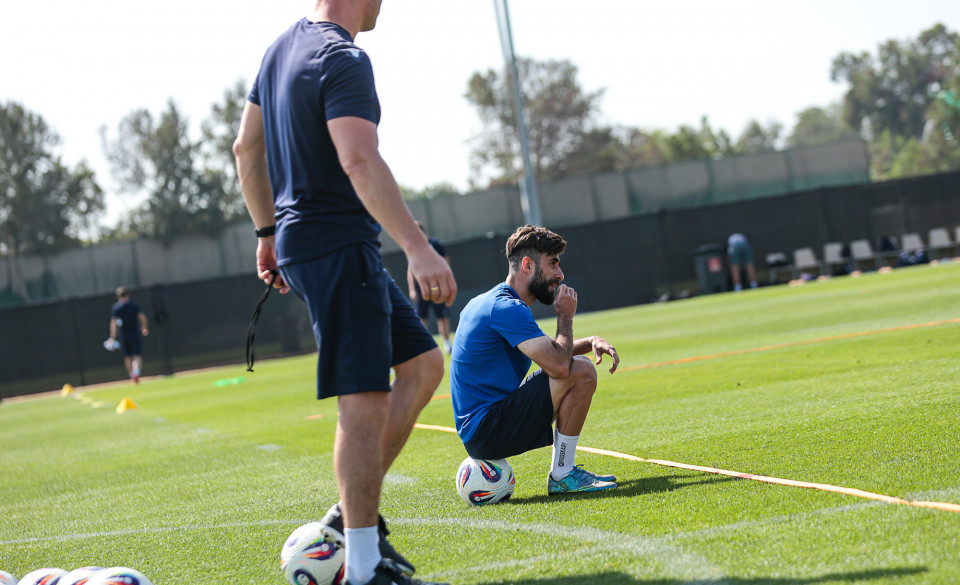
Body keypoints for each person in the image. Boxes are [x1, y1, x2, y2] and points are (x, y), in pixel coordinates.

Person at [233, 2, 457, 585]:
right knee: (364, 400)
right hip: (337, 247)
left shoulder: (280, 50)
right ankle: (361, 569)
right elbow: (358, 159)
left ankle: (350, 520)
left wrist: (267, 233)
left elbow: (245, 149)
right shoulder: (342, 56)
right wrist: (417, 247)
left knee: (423, 366)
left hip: (308, 244)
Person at [450, 225, 620, 495]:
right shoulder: (507, 308)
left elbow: (550, 351)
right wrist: (565, 317)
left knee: (577, 365)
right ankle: (563, 474)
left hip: (481, 429)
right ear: (528, 265)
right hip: (488, 430)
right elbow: (560, 366)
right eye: (553, 263)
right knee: (581, 370)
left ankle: (563, 473)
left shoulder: (492, 302)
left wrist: (589, 342)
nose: (560, 274)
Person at [406, 222, 453, 353]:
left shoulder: (435, 244)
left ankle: (447, 343)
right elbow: (410, 269)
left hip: (436, 288)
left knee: (442, 315)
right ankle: (425, 346)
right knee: (422, 317)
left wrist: (445, 282)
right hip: (421, 289)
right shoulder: (412, 247)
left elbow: (445, 263)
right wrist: (412, 289)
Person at [108, 287, 149, 384]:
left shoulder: (116, 308)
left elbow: (114, 324)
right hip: (135, 334)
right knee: (137, 355)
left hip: (124, 336)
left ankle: (132, 376)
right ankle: (136, 372)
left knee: (128, 357)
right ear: (128, 295)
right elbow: (143, 318)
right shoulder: (134, 306)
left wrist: (112, 337)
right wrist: (144, 327)